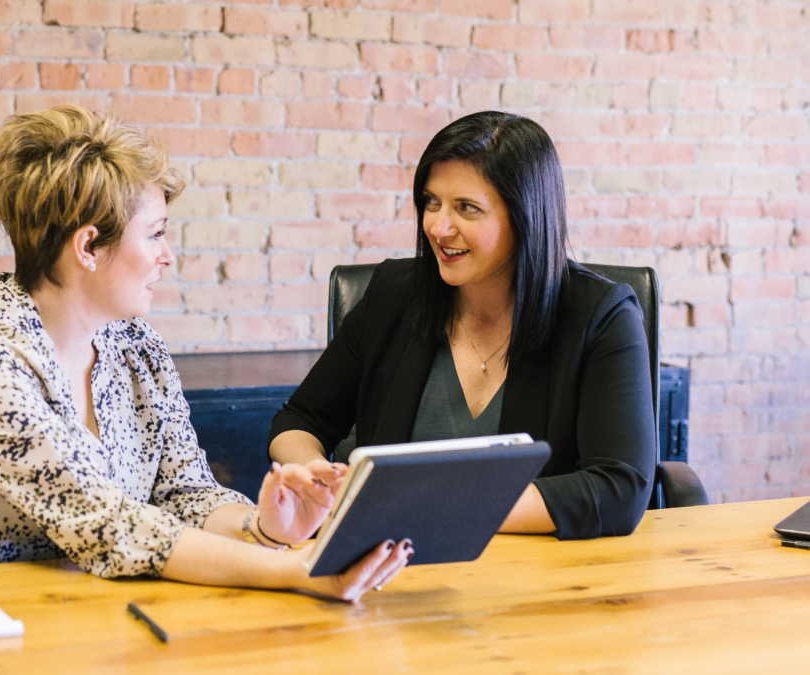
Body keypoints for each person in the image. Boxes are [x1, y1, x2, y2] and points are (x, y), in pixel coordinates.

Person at [0, 105, 411, 601]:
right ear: (88, 247)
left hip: (77, 609)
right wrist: (297, 570)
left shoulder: (134, 344)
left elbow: (184, 492)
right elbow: (107, 525)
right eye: (155, 234)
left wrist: (265, 528)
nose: (167, 256)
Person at [269, 111, 655, 540]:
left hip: (537, 575)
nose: (438, 226)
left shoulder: (601, 316)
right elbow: (299, 420)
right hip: (389, 569)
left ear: (525, 216)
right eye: (432, 202)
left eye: (467, 208)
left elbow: (619, 487)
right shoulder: (394, 295)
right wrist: (314, 477)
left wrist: (429, 507)